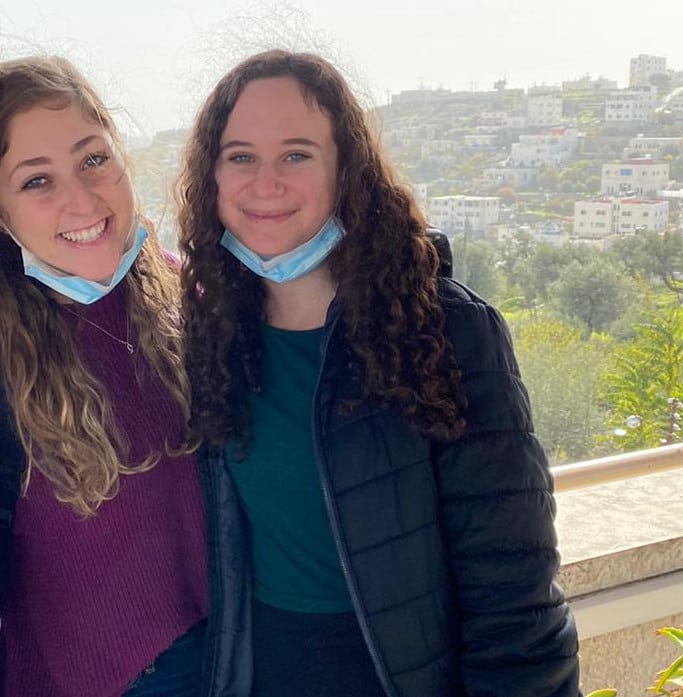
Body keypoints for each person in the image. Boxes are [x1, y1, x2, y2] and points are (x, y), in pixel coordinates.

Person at [178, 49, 580, 697]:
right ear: (213, 176)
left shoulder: (446, 329)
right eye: (241, 155)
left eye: (298, 154)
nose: (265, 181)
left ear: (347, 172)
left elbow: (514, 588)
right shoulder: (215, 331)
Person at [0, 56, 208, 697]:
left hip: (232, 646)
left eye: (93, 159)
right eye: (37, 181)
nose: (82, 200)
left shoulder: (181, 290)